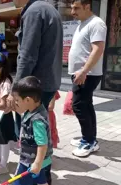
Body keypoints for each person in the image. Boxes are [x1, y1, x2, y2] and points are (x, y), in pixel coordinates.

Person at [7, 0, 63, 184]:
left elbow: (27, 54)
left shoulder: (34, 12)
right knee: (40, 128)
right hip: (47, 82)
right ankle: (42, 172)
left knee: (32, 128)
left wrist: (15, 91)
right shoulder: (48, 9)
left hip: (33, 85)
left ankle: (35, 169)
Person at [68, 0, 107, 157]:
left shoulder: (96, 23)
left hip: (87, 74)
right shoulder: (83, 23)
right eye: (72, 8)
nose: (72, 12)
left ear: (87, 6)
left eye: (76, 8)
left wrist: (84, 71)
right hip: (82, 73)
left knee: (79, 106)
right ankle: (91, 139)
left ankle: (88, 141)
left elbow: (98, 49)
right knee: (86, 105)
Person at [11, 76, 53, 185]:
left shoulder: (37, 120)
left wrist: (37, 164)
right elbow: (22, 110)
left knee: (18, 182)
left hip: (31, 161)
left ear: (28, 100)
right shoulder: (34, 109)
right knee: (40, 180)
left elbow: (42, 144)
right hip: (34, 159)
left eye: (17, 100)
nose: (16, 103)